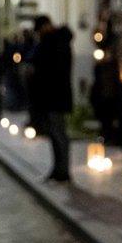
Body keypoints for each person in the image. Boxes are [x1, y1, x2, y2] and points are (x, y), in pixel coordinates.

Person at [32, 15, 74, 182]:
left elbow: (53, 70)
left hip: (56, 94)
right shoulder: (50, 42)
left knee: (59, 133)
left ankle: (63, 171)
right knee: (54, 133)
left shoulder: (56, 42)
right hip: (51, 95)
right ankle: (58, 169)